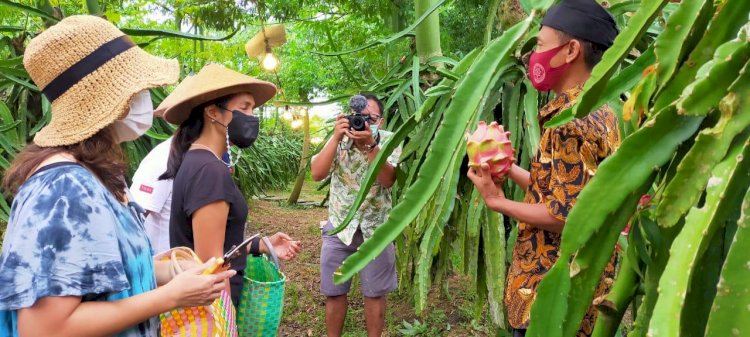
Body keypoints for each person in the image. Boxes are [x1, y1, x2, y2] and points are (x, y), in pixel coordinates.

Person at [0, 16, 234, 337]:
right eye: (138, 88)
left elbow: (106, 271)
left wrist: (176, 271)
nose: (146, 99)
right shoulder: (63, 188)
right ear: (115, 102)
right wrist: (170, 297)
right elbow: (43, 328)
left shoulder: (98, 175)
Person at [467, 1, 621, 336]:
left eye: (540, 45)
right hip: (584, 289)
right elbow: (567, 191)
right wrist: (509, 171)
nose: (533, 56)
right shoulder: (602, 110)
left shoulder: (569, 123)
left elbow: (565, 215)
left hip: (547, 296)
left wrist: (497, 201)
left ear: (570, 51)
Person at [157, 63, 302, 306]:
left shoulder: (200, 161)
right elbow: (211, 269)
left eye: (253, 108)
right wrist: (226, 323)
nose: (251, 116)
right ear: (213, 112)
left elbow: (217, 245)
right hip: (213, 311)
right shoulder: (209, 171)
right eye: (244, 107)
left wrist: (261, 244)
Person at [311, 94, 402, 337]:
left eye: (370, 118)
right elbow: (317, 174)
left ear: (380, 121)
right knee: (334, 291)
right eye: (359, 118)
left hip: (377, 230)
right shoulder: (339, 140)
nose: (363, 123)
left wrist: (371, 146)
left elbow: (387, 180)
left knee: (375, 293)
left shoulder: (391, 141)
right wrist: (335, 137)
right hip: (340, 227)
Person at [130, 136, 232, 254]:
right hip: (167, 266)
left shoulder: (219, 156)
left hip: (198, 265)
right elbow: (132, 220)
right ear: (213, 116)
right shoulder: (165, 156)